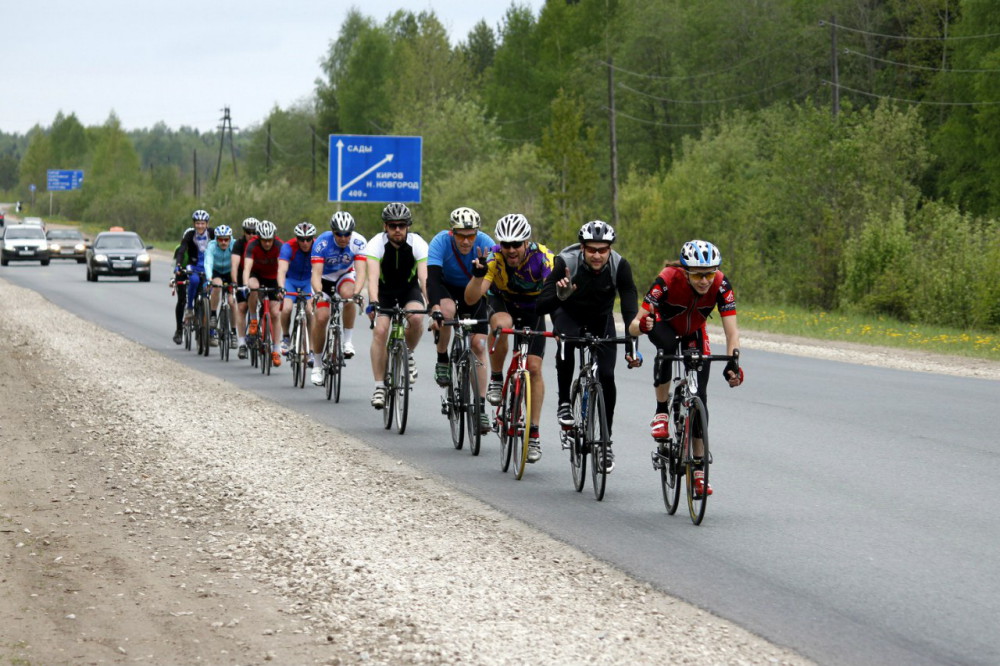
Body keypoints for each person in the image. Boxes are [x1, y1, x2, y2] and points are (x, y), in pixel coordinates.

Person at [627, 240, 744, 497]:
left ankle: (699, 474)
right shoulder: (668, 278)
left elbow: (732, 332)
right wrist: (643, 326)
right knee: (667, 347)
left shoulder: (721, 284)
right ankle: (660, 412)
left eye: (709, 273)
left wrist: (733, 364)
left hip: (694, 331)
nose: (705, 280)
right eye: (698, 274)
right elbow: (633, 326)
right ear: (685, 271)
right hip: (663, 324)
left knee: (700, 396)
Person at [536, 220, 642, 473]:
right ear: (582, 248)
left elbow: (629, 308)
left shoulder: (620, 265)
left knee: (606, 375)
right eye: (591, 249)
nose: (597, 255)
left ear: (609, 249)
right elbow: (541, 305)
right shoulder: (565, 262)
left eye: (602, 250)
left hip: (600, 319)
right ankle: (564, 401)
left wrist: (631, 345)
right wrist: (559, 297)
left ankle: (605, 441)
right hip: (568, 313)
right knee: (567, 341)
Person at [464, 213, 553, 463]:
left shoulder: (544, 258)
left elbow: (556, 298)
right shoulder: (493, 257)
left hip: (534, 306)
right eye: (506, 244)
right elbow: (472, 299)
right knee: (503, 325)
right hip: (503, 301)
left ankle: (533, 433)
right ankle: (495, 377)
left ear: (527, 242)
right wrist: (478, 275)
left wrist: (560, 329)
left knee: (534, 368)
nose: (511, 250)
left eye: (517, 244)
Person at [427, 206, 495, 433]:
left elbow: (490, 284)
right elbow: (433, 280)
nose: (466, 241)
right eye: (460, 235)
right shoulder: (440, 242)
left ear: (477, 233)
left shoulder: (486, 244)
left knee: (478, 345)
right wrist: (434, 308)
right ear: (451, 233)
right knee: (446, 313)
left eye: (470, 235)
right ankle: (443, 358)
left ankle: (481, 408)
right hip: (447, 288)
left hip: (474, 291)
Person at [365, 202, 429, 409]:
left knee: (418, 317)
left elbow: (424, 278)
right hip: (384, 292)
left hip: (408, 290)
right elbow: (372, 278)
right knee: (380, 331)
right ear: (385, 227)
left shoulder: (418, 243)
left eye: (401, 225)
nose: (397, 230)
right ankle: (379, 387)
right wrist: (374, 303)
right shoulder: (375, 244)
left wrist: (433, 305)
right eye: (393, 226)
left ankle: (408, 353)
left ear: (408, 226)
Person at [310, 211, 367, 386]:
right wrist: (318, 293)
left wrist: (357, 293)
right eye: (339, 234)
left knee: (349, 296)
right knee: (321, 318)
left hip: (344, 276)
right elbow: (316, 274)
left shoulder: (358, 242)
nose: (343, 238)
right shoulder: (322, 243)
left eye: (347, 234)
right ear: (333, 232)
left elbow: (361, 271)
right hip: (324, 280)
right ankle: (318, 365)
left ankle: (347, 341)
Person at [242, 220, 284, 368]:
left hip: (274, 278)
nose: (267, 243)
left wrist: (281, 287)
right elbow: (247, 267)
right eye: (264, 241)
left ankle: (276, 350)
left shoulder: (279, 246)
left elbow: (282, 268)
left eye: (269, 240)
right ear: (259, 238)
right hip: (257, 275)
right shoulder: (252, 245)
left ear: (274, 238)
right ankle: (253, 320)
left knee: (275, 314)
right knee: (253, 287)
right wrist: (245, 284)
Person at [277, 222, 318, 361]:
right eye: (301, 239)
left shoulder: (318, 246)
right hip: (291, 281)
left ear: (313, 238)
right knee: (287, 308)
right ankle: (286, 337)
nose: (305, 243)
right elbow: (282, 270)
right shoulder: (288, 247)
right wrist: (281, 287)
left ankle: (311, 350)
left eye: (308, 239)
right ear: (296, 239)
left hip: (308, 281)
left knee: (310, 311)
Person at [179, 210, 215, 323]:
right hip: (194, 266)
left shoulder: (212, 233)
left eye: (203, 223)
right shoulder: (190, 235)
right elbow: (181, 250)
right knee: (194, 281)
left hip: (208, 267)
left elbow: (223, 243)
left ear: (207, 224)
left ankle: (210, 329)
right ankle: (189, 308)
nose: (200, 226)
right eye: (197, 223)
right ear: (194, 224)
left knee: (209, 291)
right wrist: (178, 265)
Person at [203, 224, 236, 347]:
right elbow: (208, 262)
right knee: (217, 285)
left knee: (232, 302)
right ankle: (212, 315)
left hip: (229, 272)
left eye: (226, 239)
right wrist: (209, 278)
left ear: (230, 238)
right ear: (216, 239)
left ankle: (233, 332)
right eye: (220, 239)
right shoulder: (211, 246)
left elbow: (238, 262)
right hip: (216, 272)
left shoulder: (234, 244)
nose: (223, 242)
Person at [231, 217, 258, 359]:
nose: (251, 234)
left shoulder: (260, 243)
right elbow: (235, 265)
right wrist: (235, 283)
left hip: (258, 276)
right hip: (242, 277)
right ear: (244, 232)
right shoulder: (239, 244)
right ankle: (241, 344)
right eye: (248, 232)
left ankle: (259, 326)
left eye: (254, 232)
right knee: (241, 308)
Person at [170, 227, 193, 345]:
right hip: (181, 273)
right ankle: (179, 330)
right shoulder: (179, 249)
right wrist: (172, 278)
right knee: (182, 300)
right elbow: (174, 265)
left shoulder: (201, 248)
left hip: (195, 271)